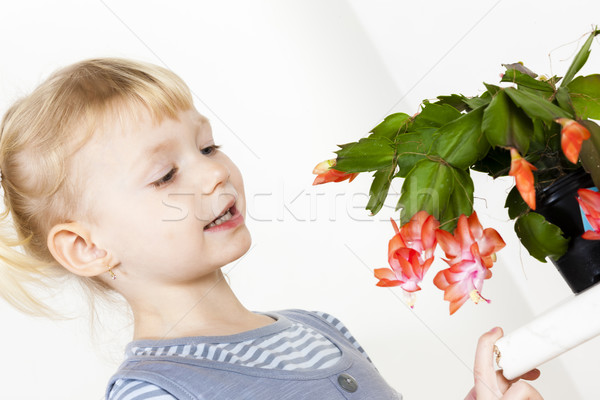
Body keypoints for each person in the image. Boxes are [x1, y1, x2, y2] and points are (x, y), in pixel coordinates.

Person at [0, 58, 543, 399]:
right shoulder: (154, 392)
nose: (214, 171)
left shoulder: (321, 331)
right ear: (87, 247)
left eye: (208, 146)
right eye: (165, 174)